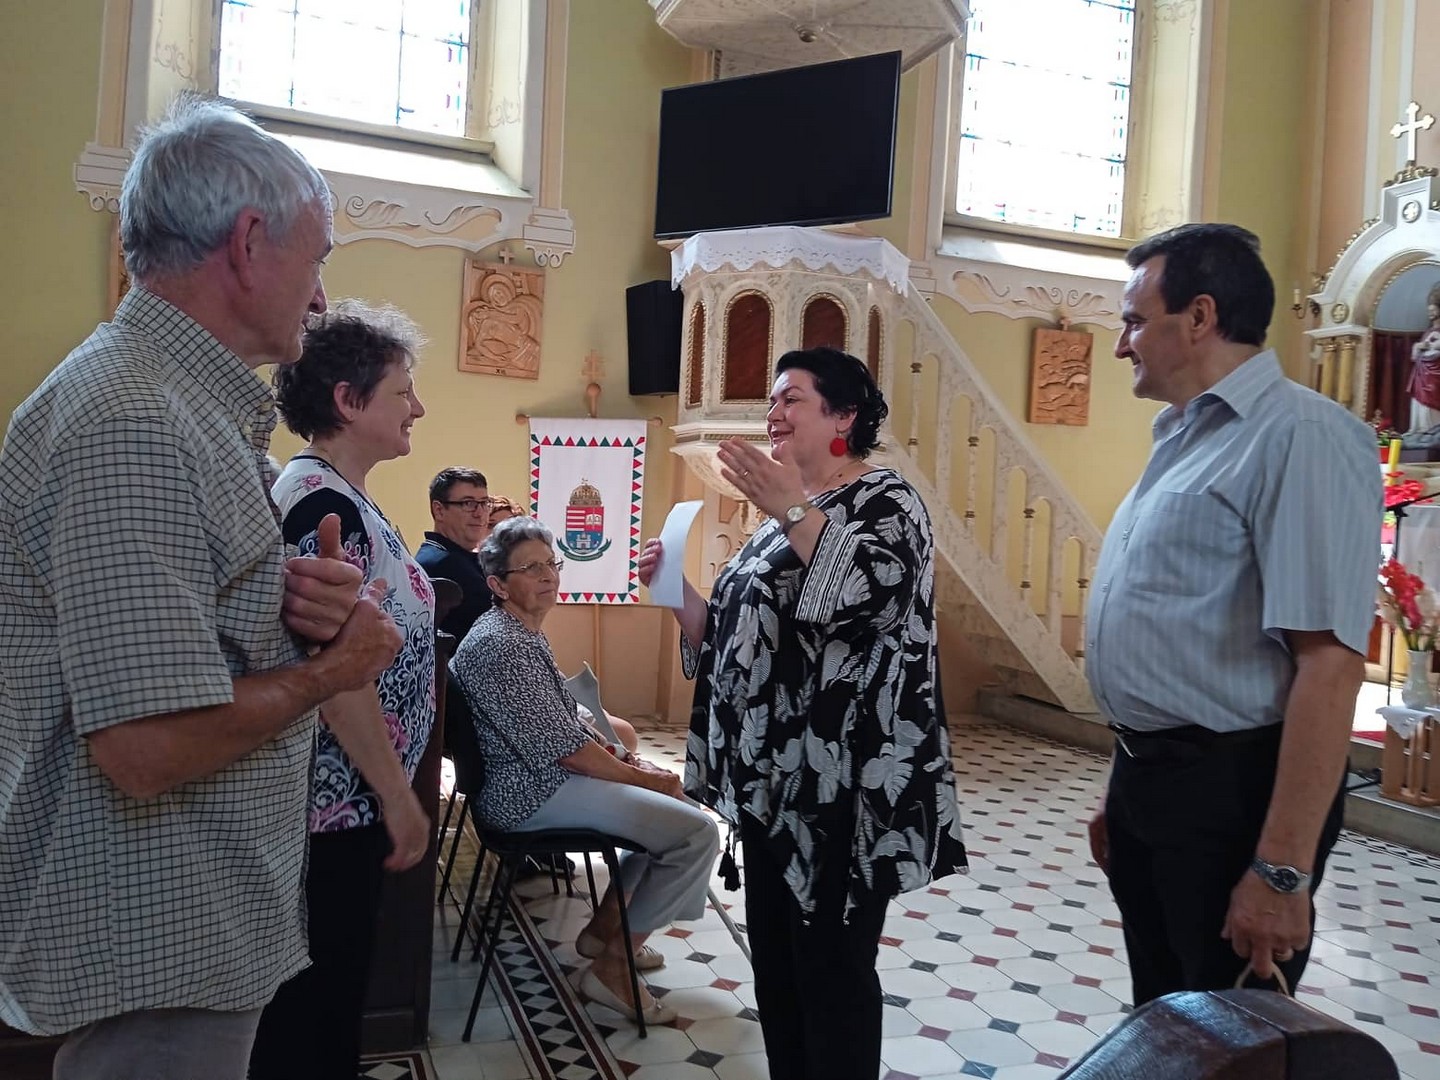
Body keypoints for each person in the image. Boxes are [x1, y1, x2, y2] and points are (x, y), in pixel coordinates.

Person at [0, 97, 403, 1080]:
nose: (320, 298)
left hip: (180, 914)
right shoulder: (135, 421)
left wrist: (285, 606)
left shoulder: (172, 403)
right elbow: (144, 748)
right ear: (249, 244)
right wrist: (333, 669)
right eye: (315, 261)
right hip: (153, 924)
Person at [639, 346, 967, 1080]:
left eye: (792, 399)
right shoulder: (780, 519)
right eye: (773, 400)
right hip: (773, 781)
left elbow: (869, 596)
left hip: (844, 783)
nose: (774, 413)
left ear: (843, 416)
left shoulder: (887, 502)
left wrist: (790, 509)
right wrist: (676, 591)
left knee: (832, 970)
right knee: (779, 965)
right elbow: (735, 637)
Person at [1085, 223, 1380, 1007]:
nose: (1121, 345)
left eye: (1134, 320)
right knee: (1164, 1018)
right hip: (1152, 781)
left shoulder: (1301, 436)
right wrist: (1127, 781)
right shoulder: (1183, 435)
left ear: (1201, 316)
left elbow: (1329, 664)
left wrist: (1280, 870)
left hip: (1233, 790)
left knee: (1230, 1028)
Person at [248, 301, 437, 1080]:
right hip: (331, 812)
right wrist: (398, 796)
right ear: (348, 401)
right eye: (402, 390)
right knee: (314, 1018)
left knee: (327, 1006)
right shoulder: (322, 505)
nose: (417, 407)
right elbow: (337, 673)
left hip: (344, 804)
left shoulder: (335, 493)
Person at [450, 518, 719, 1025]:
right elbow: (567, 752)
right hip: (528, 794)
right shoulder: (502, 644)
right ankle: (612, 967)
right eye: (531, 568)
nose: (548, 575)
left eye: (551, 563)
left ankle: (604, 933)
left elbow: (566, 721)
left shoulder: (518, 632)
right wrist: (651, 778)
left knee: (667, 826)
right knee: (696, 833)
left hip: (540, 781)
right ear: (498, 585)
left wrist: (622, 758)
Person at [417, 466, 496, 642]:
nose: (480, 513)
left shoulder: (459, 557)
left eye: (484, 503)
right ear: (439, 510)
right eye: (468, 503)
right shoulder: (444, 563)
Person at [1407, 283, 1440, 434]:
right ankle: (1418, 430)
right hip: (1421, 374)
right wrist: (1419, 347)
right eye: (1429, 311)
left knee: (1430, 405)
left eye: (1433, 310)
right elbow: (1415, 356)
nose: (1430, 313)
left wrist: (1431, 346)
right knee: (1418, 403)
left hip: (1434, 375)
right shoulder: (1428, 332)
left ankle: (1431, 431)